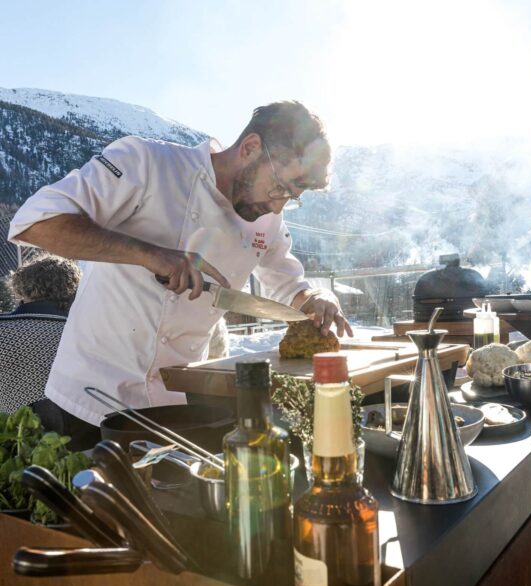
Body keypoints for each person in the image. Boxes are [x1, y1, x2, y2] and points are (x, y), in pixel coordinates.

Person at [7, 101, 352, 446]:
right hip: (87, 401)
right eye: (280, 186)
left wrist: (319, 298)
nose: (279, 205)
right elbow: (36, 222)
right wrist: (148, 255)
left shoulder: (268, 222)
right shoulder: (147, 163)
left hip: (177, 407)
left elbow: (292, 288)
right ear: (250, 148)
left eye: (293, 197)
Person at [0, 254, 81, 417]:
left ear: (20, 287)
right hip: (68, 435)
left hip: (7, 434)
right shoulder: (81, 333)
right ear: (74, 291)